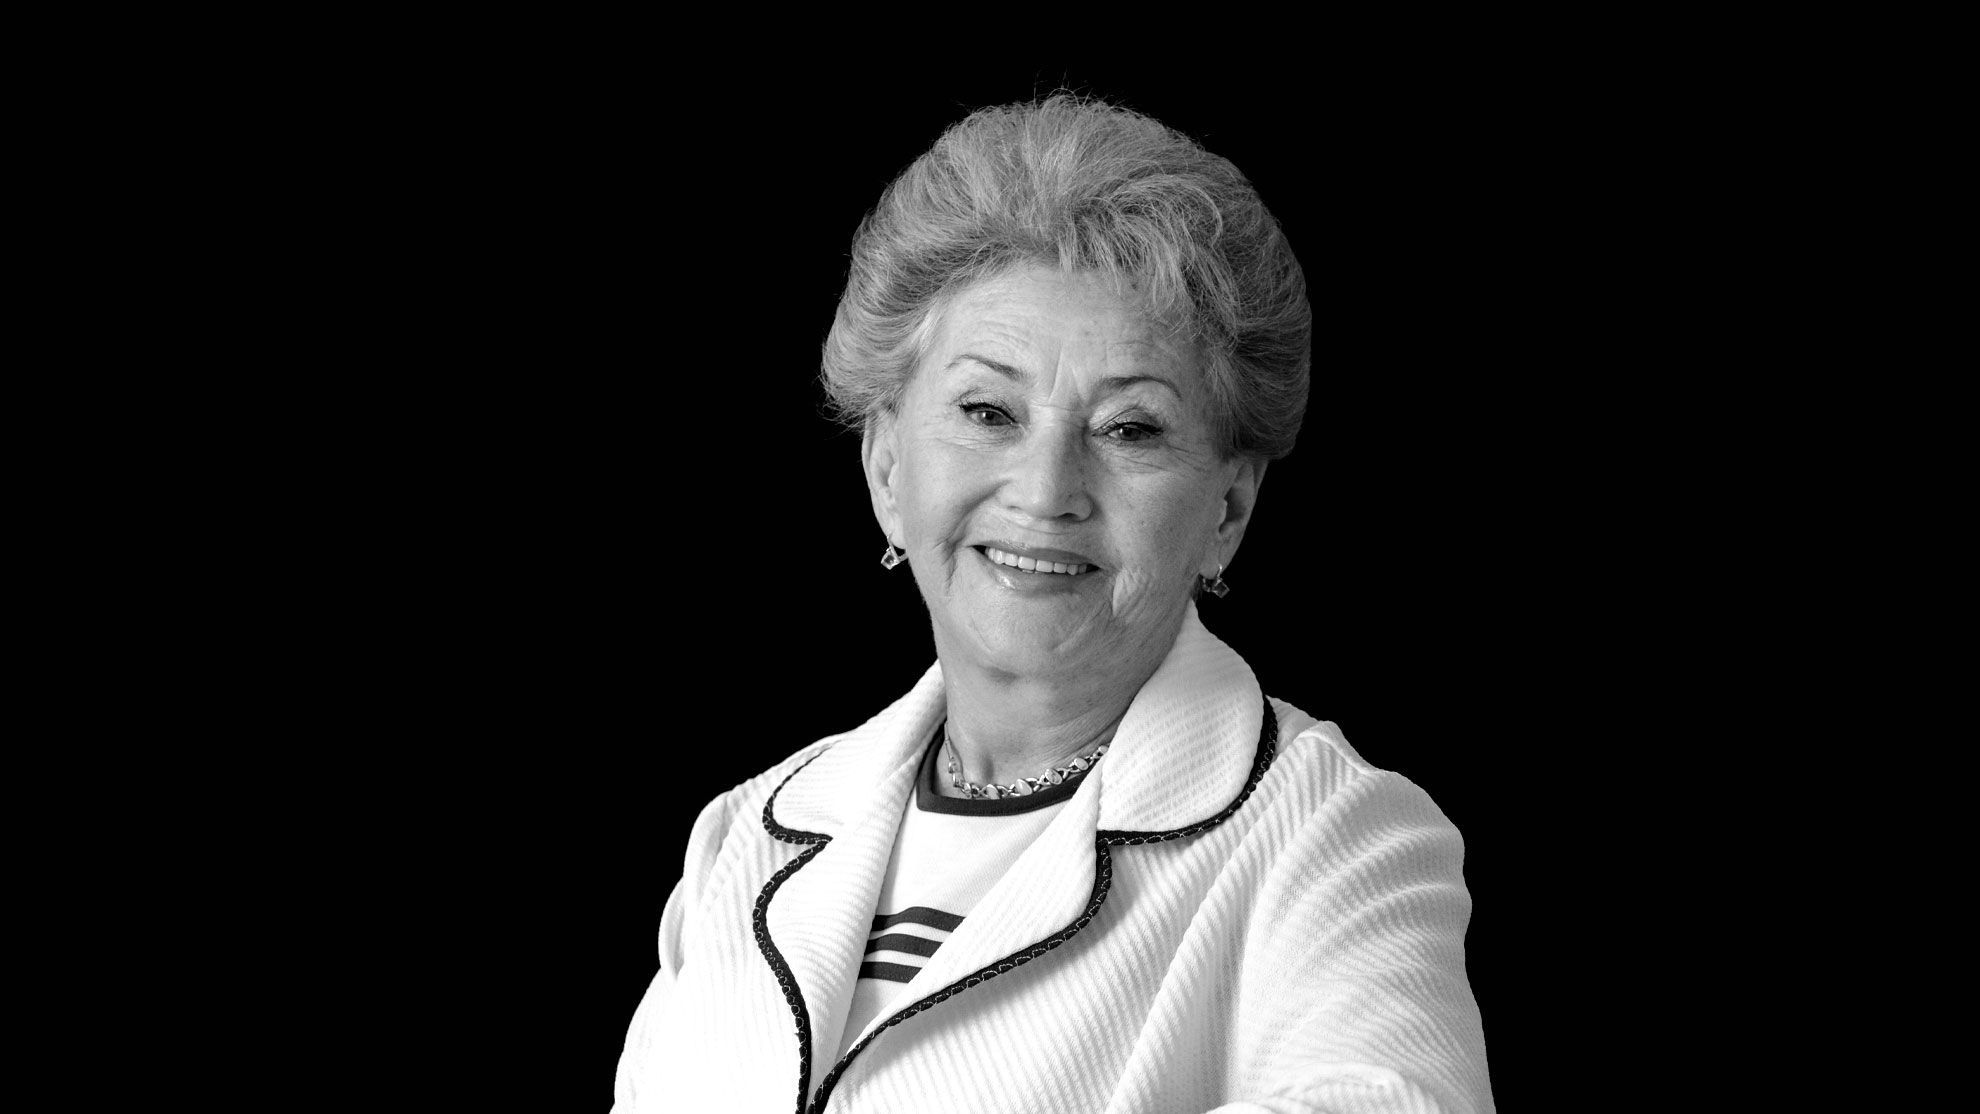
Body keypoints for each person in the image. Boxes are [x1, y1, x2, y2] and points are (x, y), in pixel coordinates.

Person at [613, 94, 1492, 1113]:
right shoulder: (741, 839)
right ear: (888, 467)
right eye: (988, 411)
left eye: (1130, 429)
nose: (1045, 492)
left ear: (1228, 508)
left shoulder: (1337, 837)